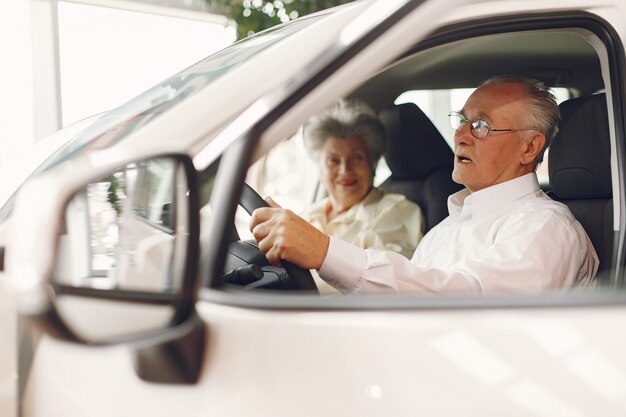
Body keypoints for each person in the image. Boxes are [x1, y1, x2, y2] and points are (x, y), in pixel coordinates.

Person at [250, 75, 599, 294]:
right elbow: (405, 298)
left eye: (481, 126)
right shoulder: (446, 229)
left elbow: (468, 300)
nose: (460, 135)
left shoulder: (546, 228)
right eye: (462, 121)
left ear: (530, 147)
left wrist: (324, 252)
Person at [301, 98, 424, 259]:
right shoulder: (310, 214)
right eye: (334, 160)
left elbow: (386, 276)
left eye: (357, 158)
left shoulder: (398, 211)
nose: (345, 170)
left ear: (372, 164)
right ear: (320, 169)